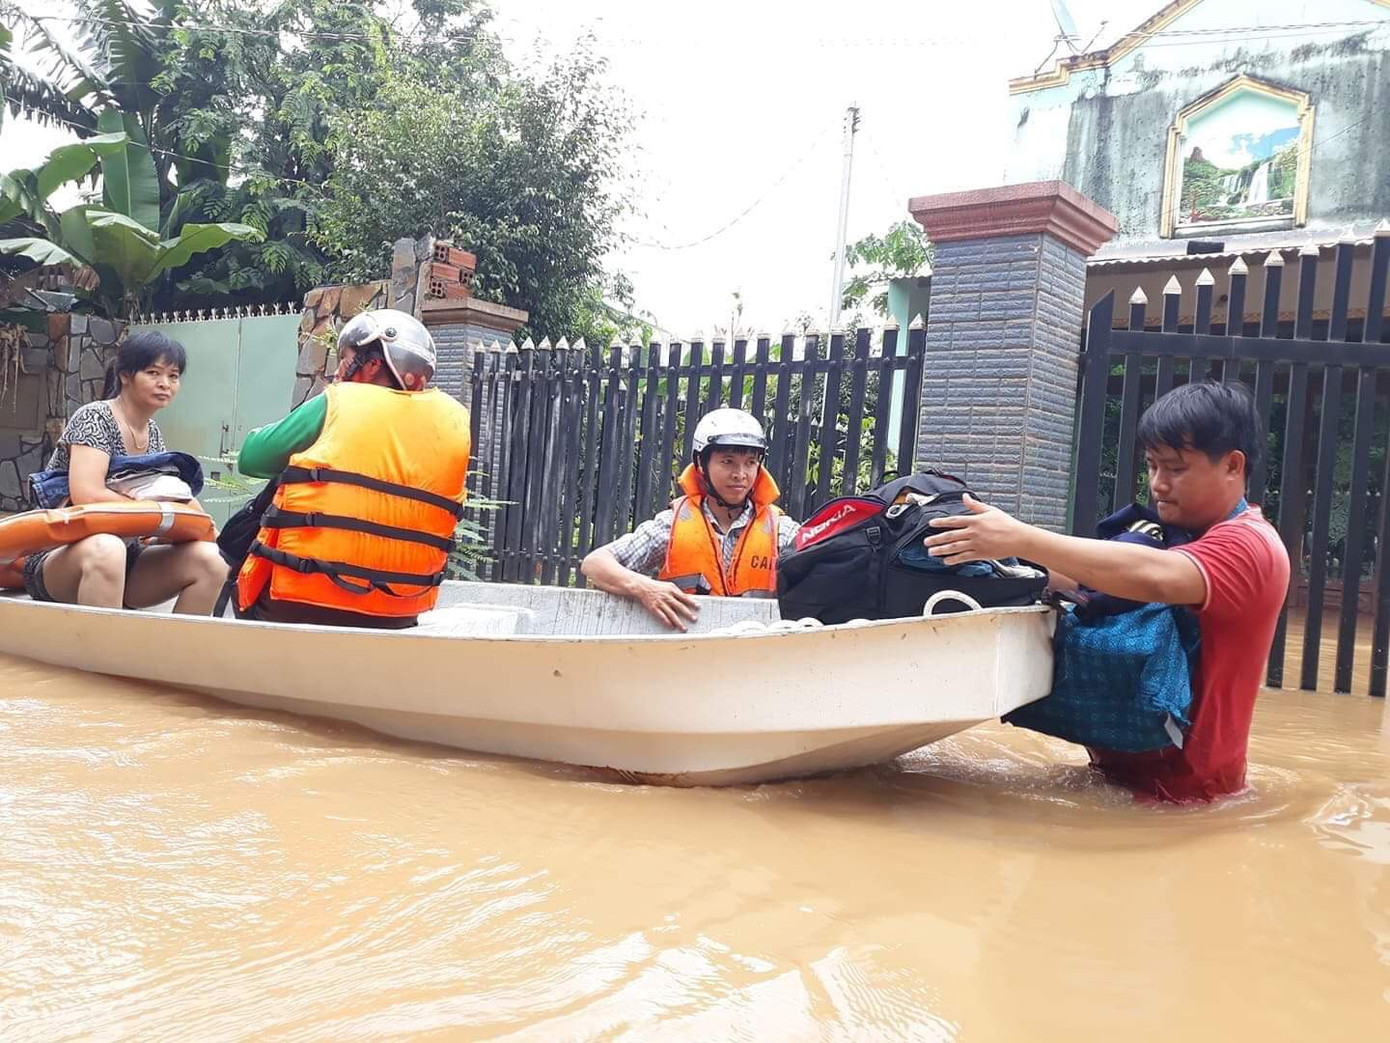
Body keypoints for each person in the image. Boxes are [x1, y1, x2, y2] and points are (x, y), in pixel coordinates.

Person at [924, 382, 1290, 803]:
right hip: (1111, 784)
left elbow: (1157, 578)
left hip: (1187, 802)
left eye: (1175, 468)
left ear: (1232, 465)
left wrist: (1020, 538)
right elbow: (1085, 581)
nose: (1158, 484)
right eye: (1152, 466)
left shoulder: (1250, 545)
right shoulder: (1166, 535)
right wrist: (982, 556)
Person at [232, 309, 471, 629]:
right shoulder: (453, 422)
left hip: (298, 603)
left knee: (234, 546)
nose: (337, 369)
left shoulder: (338, 401)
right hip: (397, 612)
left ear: (372, 364)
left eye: (345, 358)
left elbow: (252, 458)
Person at [21, 331, 228, 613]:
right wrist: (157, 512)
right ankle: (101, 655)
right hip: (62, 556)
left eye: (173, 376)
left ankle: (178, 654)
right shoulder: (94, 417)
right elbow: (88, 495)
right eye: (153, 372)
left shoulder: (153, 433)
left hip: (129, 556)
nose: (164, 384)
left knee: (211, 560)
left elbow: (167, 495)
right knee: (108, 549)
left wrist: (204, 528)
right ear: (125, 375)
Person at [581, 407, 801, 631]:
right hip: (686, 652)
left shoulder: (781, 531)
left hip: (755, 656)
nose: (740, 474)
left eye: (751, 462)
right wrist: (645, 588)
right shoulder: (671, 526)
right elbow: (595, 563)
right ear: (700, 464)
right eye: (727, 461)